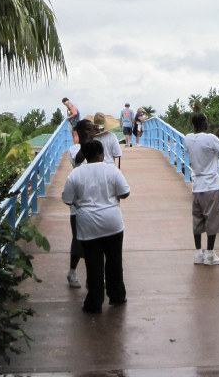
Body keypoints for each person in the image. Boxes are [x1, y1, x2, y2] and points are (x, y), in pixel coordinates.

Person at [61, 138, 130, 313]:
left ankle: (94, 302)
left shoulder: (75, 174)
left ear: (84, 154)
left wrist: (80, 202)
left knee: (93, 264)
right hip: (112, 222)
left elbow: (67, 199)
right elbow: (125, 192)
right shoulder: (111, 170)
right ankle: (117, 296)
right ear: (102, 154)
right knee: (114, 260)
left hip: (88, 224)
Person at [184, 105, 219, 265]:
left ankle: (198, 253)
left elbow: (202, 143)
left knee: (198, 220)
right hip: (212, 185)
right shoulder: (210, 139)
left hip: (197, 186)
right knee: (212, 220)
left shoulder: (188, 138)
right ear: (204, 124)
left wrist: (215, 134)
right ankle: (210, 255)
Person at [63, 120, 95, 289]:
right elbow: (78, 160)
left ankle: (93, 276)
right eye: (89, 130)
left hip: (94, 200)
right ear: (81, 133)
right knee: (78, 238)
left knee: (95, 241)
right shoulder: (75, 149)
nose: (92, 132)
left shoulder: (97, 146)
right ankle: (72, 271)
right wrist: (87, 144)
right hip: (78, 202)